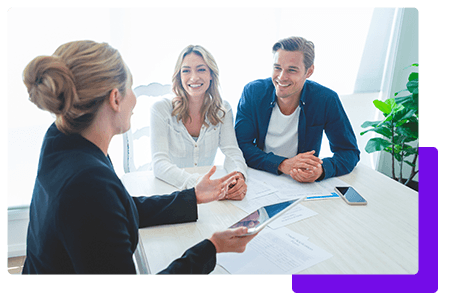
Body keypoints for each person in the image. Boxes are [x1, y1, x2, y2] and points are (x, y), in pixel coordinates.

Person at [21, 40, 256, 275]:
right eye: (131, 88)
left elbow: (117, 208)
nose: (134, 99)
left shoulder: (62, 140)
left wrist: (192, 197)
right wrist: (211, 248)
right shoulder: (89, 183)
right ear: (115, 99)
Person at [235, 36, 360, 183]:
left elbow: (349, 152)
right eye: (277, 68)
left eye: (292, 70)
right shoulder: (253, 92)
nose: (281, 77)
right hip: (260, 175)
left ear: (309, 71)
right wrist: (282, 164)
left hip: (301, 183)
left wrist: (322, 170)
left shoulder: (326, 99)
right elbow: (240, 146)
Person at [150, 45, 247, 200]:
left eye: (201, 69)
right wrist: (196, 183)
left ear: (211, 75)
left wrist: (238, 176)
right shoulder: (161, 109)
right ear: (179, 77)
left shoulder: (223, 109)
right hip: (169, 190)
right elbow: (159, 164)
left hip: (207, 194)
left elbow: (232, 151)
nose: (194, 77)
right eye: (186, 70)